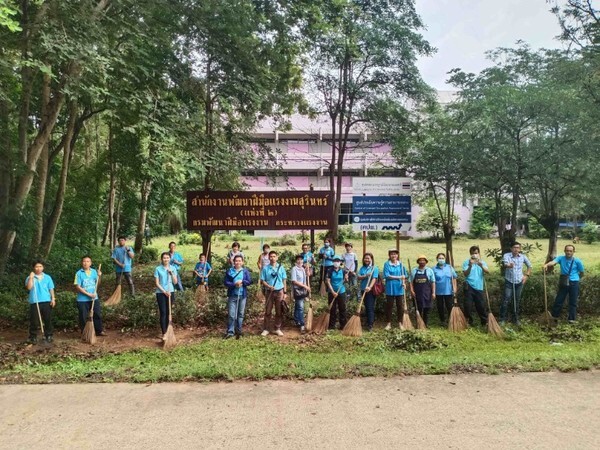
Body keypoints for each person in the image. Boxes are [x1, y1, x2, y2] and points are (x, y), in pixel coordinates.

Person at [543, 245, 585, 323]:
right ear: (564, 251)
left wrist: (576, 278)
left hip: (574, 283)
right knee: (559, 299)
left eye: (570, 251)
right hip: (564, 281)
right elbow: (553, 262)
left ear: (573, 252)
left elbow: (582, 272)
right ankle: (554, 317)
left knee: (573, 301)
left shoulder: (577, 261)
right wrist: (546, 265)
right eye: (567, 250)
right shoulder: (561, 258)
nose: (568, 252)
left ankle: (571, 319)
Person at [25, 260, 56, 344]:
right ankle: (33, 336)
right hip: (35, 301)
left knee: (47, 319)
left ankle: (48, 335)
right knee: (34, 321)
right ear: (33, 268)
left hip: (46, 301)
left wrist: (53, 298)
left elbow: (51, 289)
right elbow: (29, 288)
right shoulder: (30, 277)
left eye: (40, 266)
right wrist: (31, 277)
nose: (38, 268)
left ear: (43, 267)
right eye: (36, 267)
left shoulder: (47, 277)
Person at [501, 242, 532, 325]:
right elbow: (505, 264)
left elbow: (530, 266)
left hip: (519, 282)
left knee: (516, 301)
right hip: (509, 282)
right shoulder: (507, 255)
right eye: (514, 247)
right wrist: (509, 265)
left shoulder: (523, 257)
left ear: (520, 249)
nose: (516, 249)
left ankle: (515, 319)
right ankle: (502, 319)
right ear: (511, 249)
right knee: (506, 300)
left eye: (518, 248)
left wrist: (526, 276)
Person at [74, 256, 105, 336]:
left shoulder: (94, 272)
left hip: (94, 298)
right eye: (84, 261)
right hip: (82, 300)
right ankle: (85, 333)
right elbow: (78, 287)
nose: (86, 263)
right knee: (83, 317)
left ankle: (98, 331)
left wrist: (99, 276)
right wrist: (89, 294)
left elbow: (97, 284)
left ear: (90, 263)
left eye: (88, 261)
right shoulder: (79, 273)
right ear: (82, 262)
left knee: (97, 314)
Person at [224, 254, 252, 339]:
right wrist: (234, 284)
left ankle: (239, 330)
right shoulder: (230, 271)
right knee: (232, 314)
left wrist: (242, 282)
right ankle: (230, 331)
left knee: (240, 314)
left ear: (242, 262)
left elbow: (249, 281)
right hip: (232, 295)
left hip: (242, 295)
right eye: (236, 261)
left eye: (240, 261)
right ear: (233, 262)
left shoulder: (245, 271)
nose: (238, 262)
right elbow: (226, 282)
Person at [260, 250, 287, 336]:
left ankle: (277, 328)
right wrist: (268, 286)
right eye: (271, 256)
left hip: (279, 291)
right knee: (268, 310)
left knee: (279, 311)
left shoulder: (281, 267)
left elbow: (284, 280)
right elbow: (262, 280)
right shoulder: (265, 268)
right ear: (268, 258)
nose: (272, 258)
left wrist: (285, 292)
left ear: (277, 257)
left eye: (274, 256)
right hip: (269, 292)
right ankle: (266, 329)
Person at [462, 245, 489, 327]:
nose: (474, 255)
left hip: (479, 287)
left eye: (476, 253)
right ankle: (468, 321)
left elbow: (487, 271)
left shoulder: (482, 262)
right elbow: (465, 274)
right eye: (473, 253)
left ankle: (484, 322)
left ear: (478, 253)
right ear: (470, 254)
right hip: (469, 286)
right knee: (467, 305)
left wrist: (481, 266)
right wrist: (470, 266)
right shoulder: (466, 262)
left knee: (480, 305)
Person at [154, 252, 178, 341]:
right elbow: (156, 283)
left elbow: (175, 282)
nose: (166, 259)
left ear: (170, 259)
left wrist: (171, 274)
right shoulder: (158, 269)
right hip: (161, 293)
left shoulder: (173, 268)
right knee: (163, 312)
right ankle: (164, 333)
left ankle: (169, 331)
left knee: (169, 313)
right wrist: (164, 292)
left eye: (167, 258)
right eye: (164, 258)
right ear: (161, 259)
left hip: (171, 292)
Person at [383, 248, 408, 330]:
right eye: (392, 254)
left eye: (395, 254)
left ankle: (400, 323)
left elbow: (404, 276)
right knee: (389, 306)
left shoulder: (401, 265)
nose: (393, 255)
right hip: (390, 288)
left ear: (397, 255)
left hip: (399, 288)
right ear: (389, 255)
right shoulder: (387, 264)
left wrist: (404, 282)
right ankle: (388, 323)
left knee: (400, 306)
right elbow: (387, 276)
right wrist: (399, 277)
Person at [410, 255, 436, 327]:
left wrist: (433, 292)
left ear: (426, 262)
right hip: (417, 294)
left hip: (427, 293)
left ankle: (425, 324)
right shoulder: (414, 271)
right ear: (418, 262)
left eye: (423, 260)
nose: (422, 262)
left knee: (426, 309)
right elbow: (411, 282)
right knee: (418, 309)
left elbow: (433, 282)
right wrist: (412, 291)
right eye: (420, 260)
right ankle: (418, 324)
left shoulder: (429, 271)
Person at [433, 252, 458, 325]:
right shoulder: (434, 269)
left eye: (442, 258)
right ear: (437, 259)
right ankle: (442, 321)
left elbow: (454, 278)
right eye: (439, 258)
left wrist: (455, 288)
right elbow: (432, 281)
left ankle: (451, 320)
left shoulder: (449, 267)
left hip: (448, 291)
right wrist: (433, 291)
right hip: (438, 291)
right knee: (440, 306)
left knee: (449, 306)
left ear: (445, 259)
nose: (441, 259)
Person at [325, 255, 348, 330]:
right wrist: (332, 292)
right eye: (335, 261)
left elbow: (346, 281)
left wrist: (346, 278)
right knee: (332, 308)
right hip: (332, 292)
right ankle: (332, 325)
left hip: (341, 291)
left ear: (340, 262)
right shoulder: (330, 270)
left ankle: (343, 325)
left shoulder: (343, 270)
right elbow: (328, 282)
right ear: (333, 262)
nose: (336, 262)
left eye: (338, 261)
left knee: (342, 308)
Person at [357, 253, 378, 331]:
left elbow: (374, 278)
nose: (367, 260)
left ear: (371, 259)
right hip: (363, 289)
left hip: (370, 290)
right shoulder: (362, 268)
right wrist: (366, 275)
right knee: (366, 306)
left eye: (368, 258)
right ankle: (369, 320)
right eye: (365, 258)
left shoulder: (374, 268)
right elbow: (358, 277)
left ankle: (370, 324)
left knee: (370, 307)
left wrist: (370, 287)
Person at [291, 254, 311, 333]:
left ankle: (296, 320)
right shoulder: (294, 269)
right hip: (297, 290)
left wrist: (307, 273)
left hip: (303, 290)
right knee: (301, 307)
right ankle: (302, 324)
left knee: (297, 306)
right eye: (298, 260)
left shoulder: (303, 269)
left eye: (301, 260)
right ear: (296, 261)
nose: (300, 261)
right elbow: (294, 281)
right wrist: (305, 286)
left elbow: (306, 278)